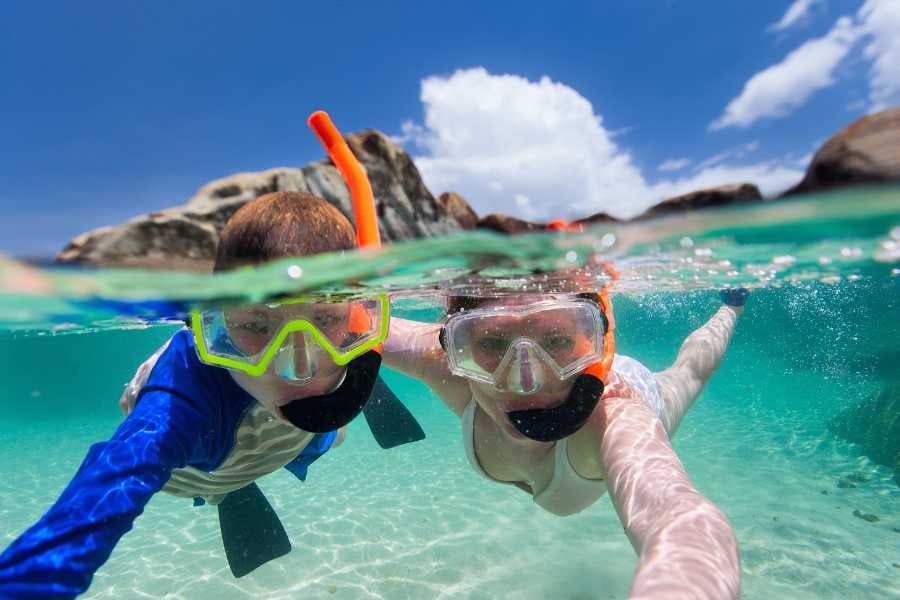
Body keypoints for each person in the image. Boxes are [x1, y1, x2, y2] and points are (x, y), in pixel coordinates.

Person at [0, 113, 422, 598]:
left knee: (329, 420)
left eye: (327, 319)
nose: (295, 366)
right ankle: (229, 493)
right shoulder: (178, 410)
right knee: (252, 455)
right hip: (205, 467)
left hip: (289, 435)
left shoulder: (346, 340)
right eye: (256, 326)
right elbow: (92, 505)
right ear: (214, 323)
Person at [383, 273, 748, 599]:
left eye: (556, 339)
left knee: (688, 373)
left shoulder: (615, 418)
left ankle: (731, 309)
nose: (526, 382)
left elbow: (678, 516)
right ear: (457, 348)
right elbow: (357, 324)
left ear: (595, 340)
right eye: (493, 344)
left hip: (624, 386)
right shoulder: (448, 365)